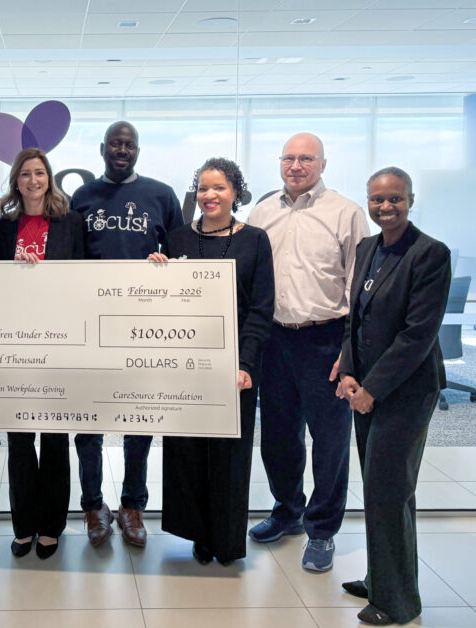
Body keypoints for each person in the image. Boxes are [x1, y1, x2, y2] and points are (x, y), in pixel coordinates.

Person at [245, 132, 369, 572]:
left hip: (326, 340)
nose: (296, 166)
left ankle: (322, 530)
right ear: (280, 163)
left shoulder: (346, 213)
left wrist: (350, 351)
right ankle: (287, 510)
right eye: (289, 158)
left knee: (330, 439)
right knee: (278, 434)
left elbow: (360, 288)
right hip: (274, 340)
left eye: (306, 159)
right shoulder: (262, 212)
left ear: (322, 163)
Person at [334, 167, 451, 625]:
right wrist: (347, 371)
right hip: (364, 387)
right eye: (378, 199)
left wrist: (372, 390)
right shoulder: (368, 247)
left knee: (390, 492)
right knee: (380, 489)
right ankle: (381, 575)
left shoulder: (429, 254)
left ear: (410, 199)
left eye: (395, 199)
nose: (386, 207)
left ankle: (397, 602)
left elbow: (417, 336)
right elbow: (355, 319)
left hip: (404, 392)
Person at [148, 157, 274, 565]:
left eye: (219, 187)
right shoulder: (178, 239)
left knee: (229, 457)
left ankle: (226, 541)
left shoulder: (255, 240)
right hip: (184, 364)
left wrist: (248, 364)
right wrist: (157, 273)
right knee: (186, 452)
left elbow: (260, 308)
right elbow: (163, 303)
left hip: (233, 366)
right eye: (203, 188)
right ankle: (199, 536)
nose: (210, 195)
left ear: (236, 192)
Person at [71, 121, 183, 548]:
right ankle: (93, 505)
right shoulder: (82, 198)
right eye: (115, 144)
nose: (122, 150)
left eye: (129, 145)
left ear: (138, 150)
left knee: (141, 417)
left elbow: (180, 254)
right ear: (102, 149)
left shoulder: (162, 195)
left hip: (144, 325)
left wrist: (166, 264)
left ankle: (133, 505)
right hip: (90, 325)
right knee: (88, 420)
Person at [0, 147, 84, 559]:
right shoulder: (1, 226)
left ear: (50, 178)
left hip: (59, 341)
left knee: (56, 437)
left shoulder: (70, 222)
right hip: (13, 342)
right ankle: (24, 525)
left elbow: (85, 277)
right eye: (25, 173)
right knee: (20, 439)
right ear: (16, 180)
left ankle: (52, 526)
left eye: (40, 173)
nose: (33, 180)